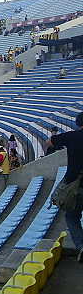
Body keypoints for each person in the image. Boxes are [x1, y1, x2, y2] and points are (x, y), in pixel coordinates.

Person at [46, 111, 83, 261]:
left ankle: (81, 246)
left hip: (75, 185)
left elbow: (49, 142)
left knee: (72, 216)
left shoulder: (72, 136)